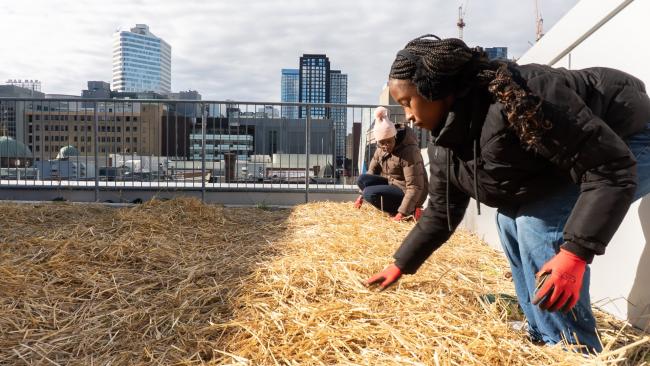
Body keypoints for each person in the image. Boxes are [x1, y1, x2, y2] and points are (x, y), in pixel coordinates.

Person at [364, 34, 650, 353]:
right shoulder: (449, 142)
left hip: (630, 139)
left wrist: (574, 254)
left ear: (437, 90)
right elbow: (440, 214)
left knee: (539, 224)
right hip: (593, 155)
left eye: (407, 102)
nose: (408, 117)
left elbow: (609, 166)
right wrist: (401, 264)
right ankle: (541, 330)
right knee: (509, 221)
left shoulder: (526, 96)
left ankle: (572, 349)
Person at [354, 106, 428, 221]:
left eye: (389, 141)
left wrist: (402, 213)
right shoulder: (380, 149)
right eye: (382, 143)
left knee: (370, 193)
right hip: (391, 184)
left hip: (407, 191)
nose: (385, 146)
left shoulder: (409, 151)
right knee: (362, 179)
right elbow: (371, 172)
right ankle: (397, 208)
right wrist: (360, 196)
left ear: (395, 136)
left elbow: (415, 186)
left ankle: (410, 211)